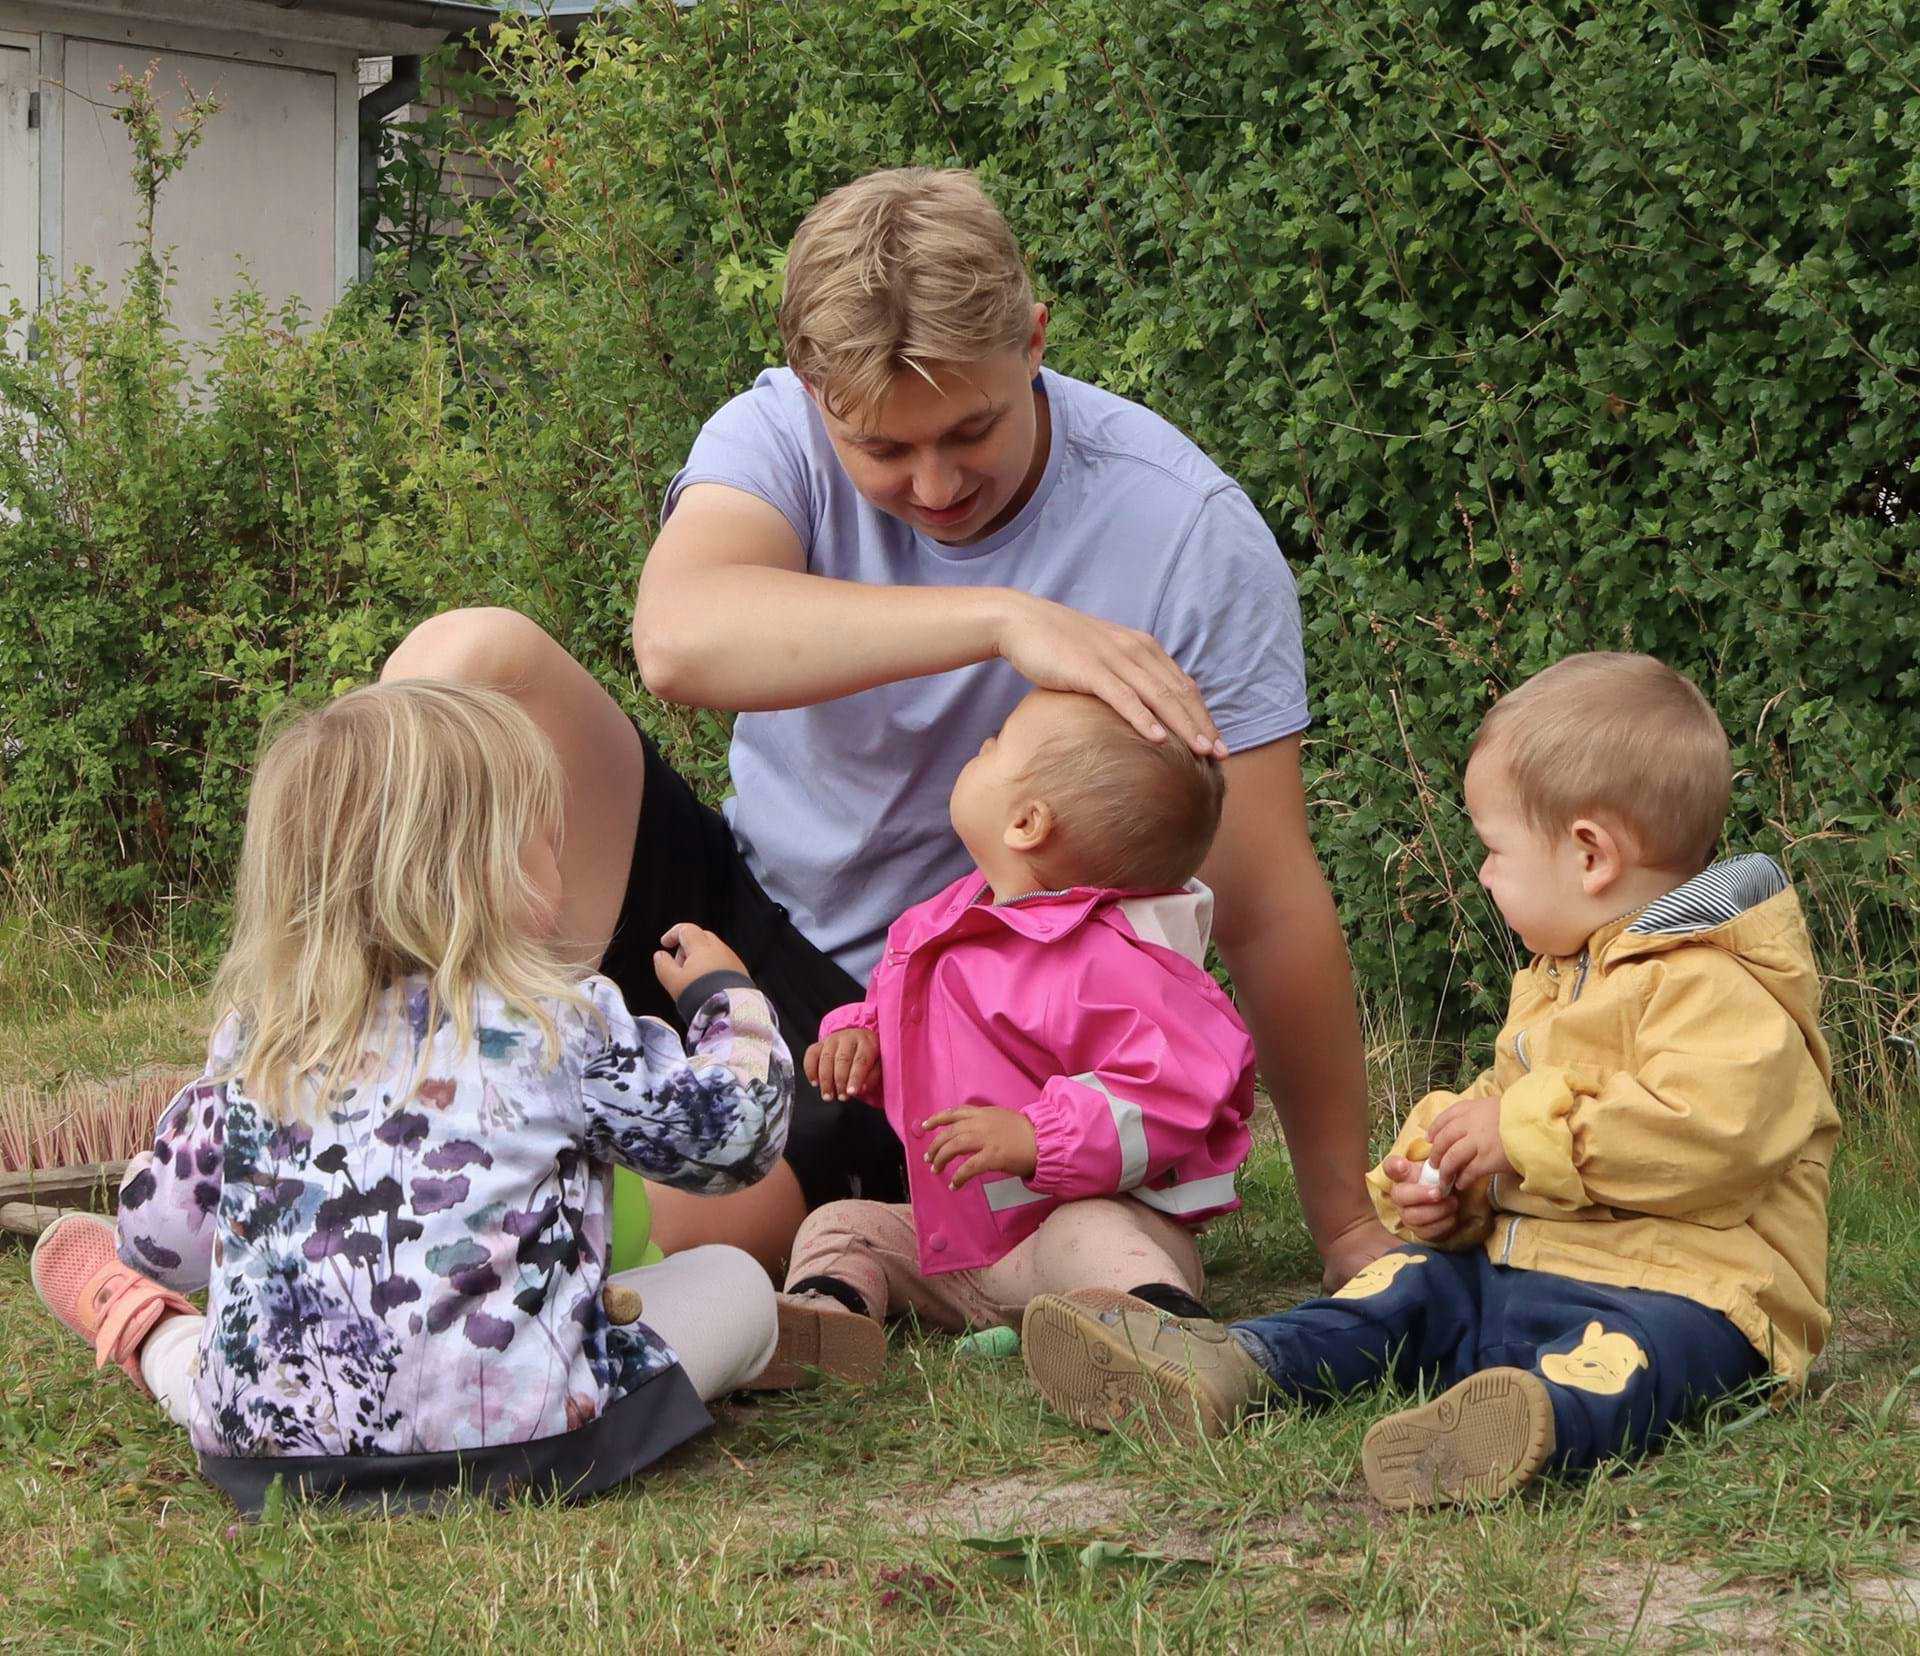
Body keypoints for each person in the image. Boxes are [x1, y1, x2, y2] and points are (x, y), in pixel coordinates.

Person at [382, 165, 1392, 1288]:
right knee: (468, 659)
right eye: (885, 451)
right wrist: (1005, 620)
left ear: (1037, 342)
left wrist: (1347, 1225)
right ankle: (320, 1091)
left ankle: (472, 1210)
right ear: (816, 398)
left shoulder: (1188, 534)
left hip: (919, 1022)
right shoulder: (772, 434)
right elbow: (676, 640)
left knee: (682, 1234)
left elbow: (1260, 893)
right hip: (731, 899)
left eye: (971, 429)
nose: (939, 483)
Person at [1020, 653, 1839, 1508]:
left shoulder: (1720, 985)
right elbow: (1504, 1118)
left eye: (1493, 849)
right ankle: (1239, 1363)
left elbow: (1711, 1134)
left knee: (1636, 1358)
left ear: (1590, 855)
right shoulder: (1558, 977)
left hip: (1695, 1291)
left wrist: (1515, 1138)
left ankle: (1530, 1423)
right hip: (1527, 1271)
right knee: (1404, 1284)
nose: (1483, 874)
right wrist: (1449, 1186)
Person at [29, 681, 792, 1514]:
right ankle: (618, 1328)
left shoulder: (259, 1050)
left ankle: (154, 1336)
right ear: (479, 870)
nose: (562, 865)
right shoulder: (555, 1026)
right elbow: (737, 1139)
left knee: (205, 1359)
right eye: (544, 842)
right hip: (533, 1446)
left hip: (275, 1465)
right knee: (733, 1283)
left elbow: (157, 1245)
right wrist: (728, 1000)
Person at [764, 689, 1254, 1384]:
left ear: (1026, 822)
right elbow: (910, 1022)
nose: (981, 746)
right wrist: (862, 1039)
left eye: (996, 742)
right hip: (965, 1252)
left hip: (1079, 1234)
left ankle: (1164, 1331)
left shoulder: (1108, 958)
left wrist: (1037, 1138)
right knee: (842, 1224)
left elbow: (1173, 1090)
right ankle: (827, 1317)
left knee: (1090, 1234)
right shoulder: (948, 918)